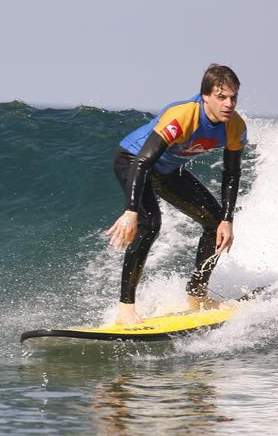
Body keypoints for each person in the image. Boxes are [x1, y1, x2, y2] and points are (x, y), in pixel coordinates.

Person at [105, 64, 247, 325]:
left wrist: (228, 219)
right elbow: (142, 162)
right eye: (221, 97)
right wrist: (131, 210)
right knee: (149, 225)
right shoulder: (183, 115)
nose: (228, 104)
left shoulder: (235, 126)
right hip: (133, 160)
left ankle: (197, 295)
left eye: (233, 97)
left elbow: (232, 174)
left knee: (215, 224)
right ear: (205, 96)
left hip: (168, 170)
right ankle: (126, 308)